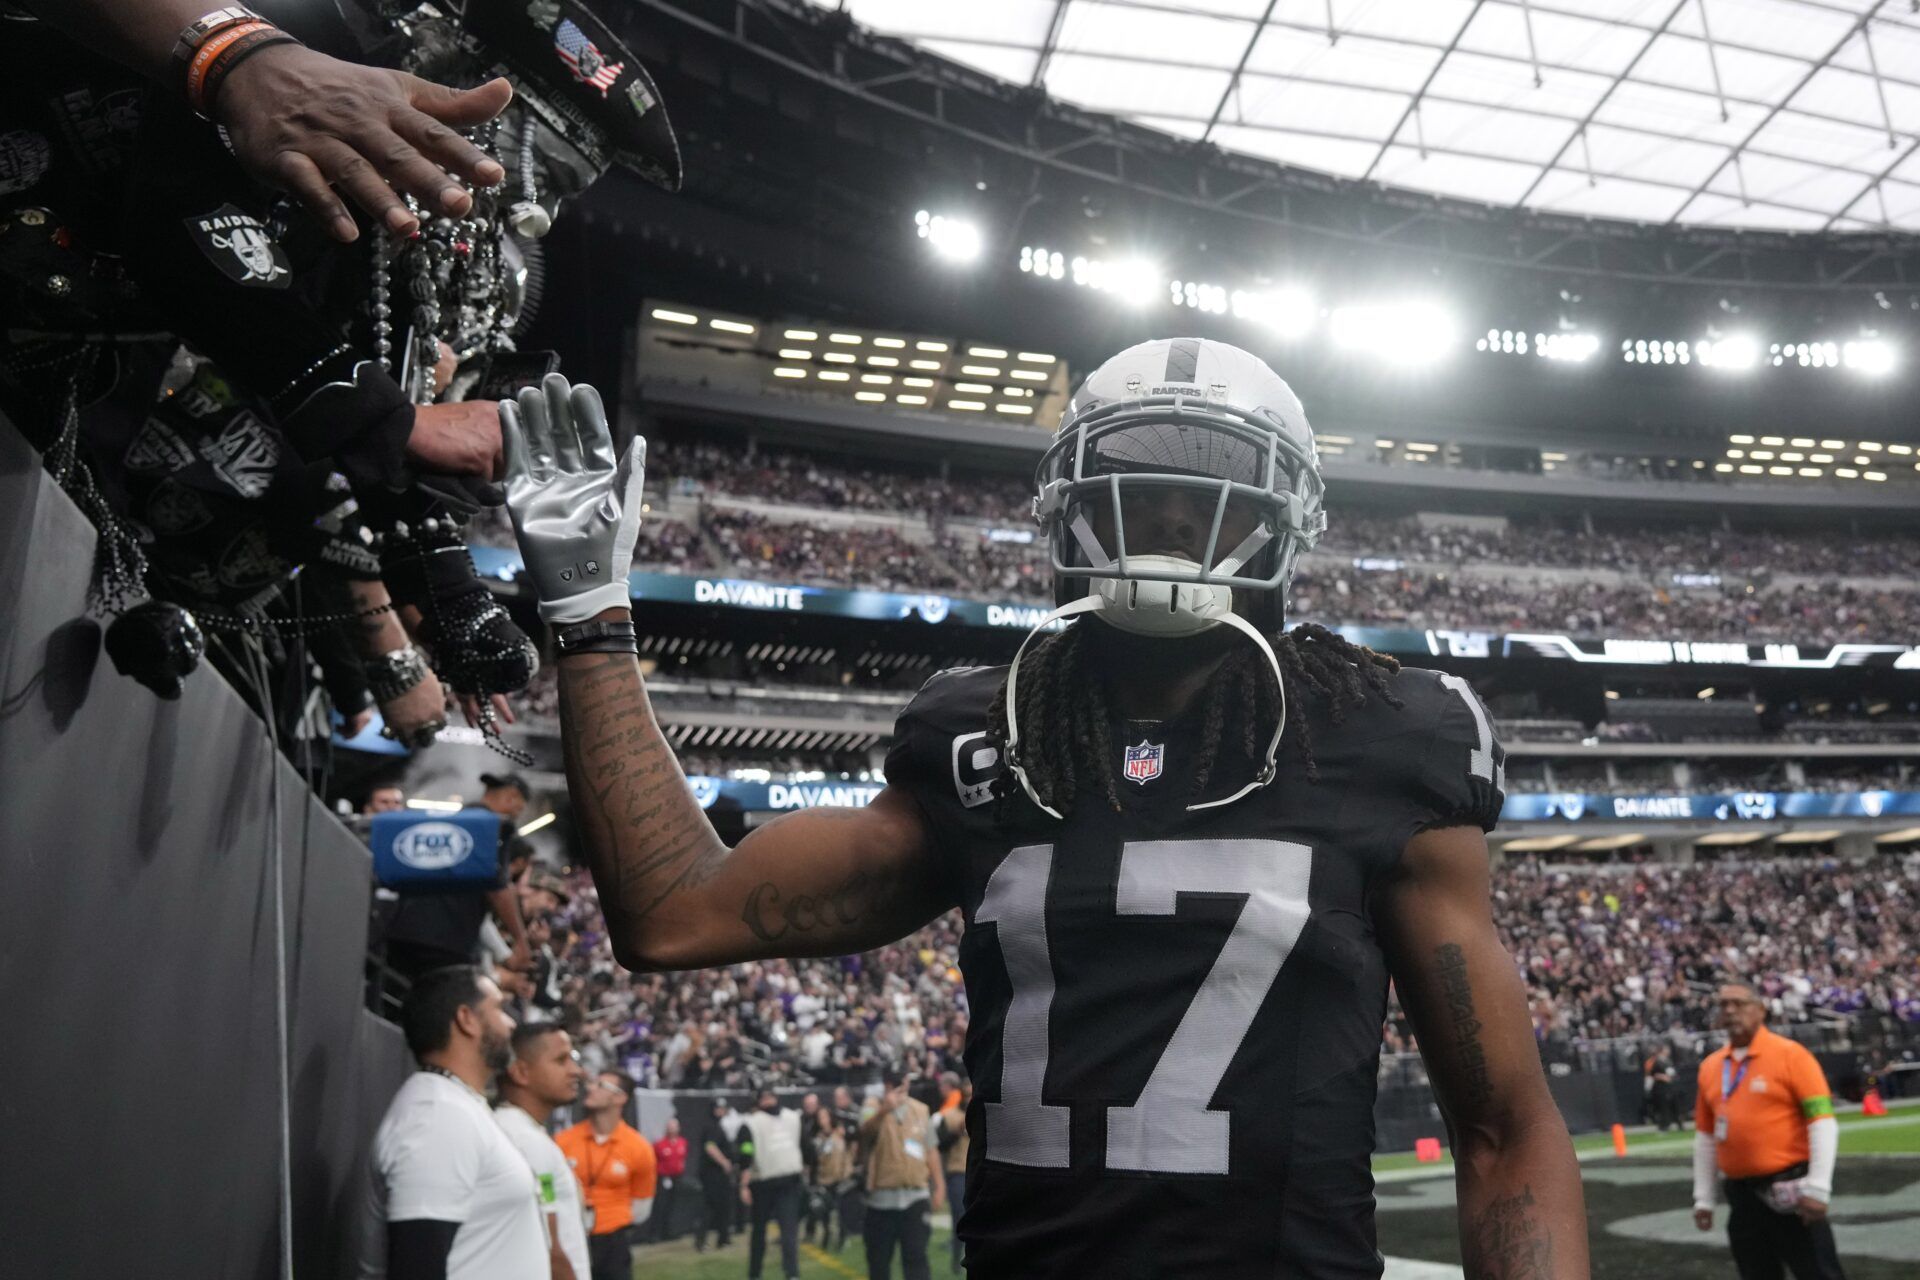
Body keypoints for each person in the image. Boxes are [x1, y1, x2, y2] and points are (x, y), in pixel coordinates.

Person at [498, 346, 1588, 1278]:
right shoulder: (983, 735)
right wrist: (591, 615)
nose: (1166, 510)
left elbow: (1502, 1127)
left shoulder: (1376, 733)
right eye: (1133, 473)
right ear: (1063, 498)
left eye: (1205, 478)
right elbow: (673, 913)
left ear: (1286, 513)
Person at [361, 965, 545, 1279]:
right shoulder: (437, 1117)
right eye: (500, 1008)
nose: (512, 1023)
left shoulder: (457, 1105)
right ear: (466, 1019)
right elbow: (418, 1267)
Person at [1692, 982, 1847, 1280]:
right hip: (1741, 1196)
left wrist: (1818, 1186)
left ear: (1760, 1010)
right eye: (1723, 1004)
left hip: (1792, 1191)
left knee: (1819, 1272)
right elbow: (1706, 1138)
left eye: (1739, 1003)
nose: (1730, 1011)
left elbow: (1822, 1122)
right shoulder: (1711, 1067)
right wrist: (1704, 1197)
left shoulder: (1791, 1055)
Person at [495, 1024, 590, 1280]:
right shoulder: (524, 1140)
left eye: (573, 1059)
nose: (575, 1071)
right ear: (521, 1072)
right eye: (561, 1060)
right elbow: (550, 1246)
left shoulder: (522, 1132)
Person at [555, 1071, 655, 1280]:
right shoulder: (563, 1142)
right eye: (592, 1083)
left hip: (613, 1242)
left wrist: (613, 1220)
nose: (590, 1088)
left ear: (620, 1097)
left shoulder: (638, 1147)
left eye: (601, 1085)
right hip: (571, 1237)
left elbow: (641, 1207)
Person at [857, 1069, 944, 1280]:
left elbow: (931, 1150)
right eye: (894, 1082)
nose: (900, 1086)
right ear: (885, 1084)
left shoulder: (921, 1110)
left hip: (915, 1196)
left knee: (916, 1259)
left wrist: (940, 1185)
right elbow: (864, 1134)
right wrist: (883, 1110)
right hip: (881, 1200)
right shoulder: (871, 1108)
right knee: (878, 1262)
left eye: (903, 1081)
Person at [739, 1089, 807, 1280]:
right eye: (764, 1097)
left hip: (789, 1181)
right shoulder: (751, 1123)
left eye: (771, 1096)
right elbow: (746, 1152)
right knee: (759, 1233)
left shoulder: (792, 1118)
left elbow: (803, 1145)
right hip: (762, 1183)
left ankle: (792, 1273)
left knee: (789, 1233)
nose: (768, 1101)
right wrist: (744, 1183)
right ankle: (755, 1273)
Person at [694, 1096, 739, 1252]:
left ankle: (723, 1239)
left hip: (717, 1174)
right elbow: (710, 1147)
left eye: (723, 1108)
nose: (721, 1111)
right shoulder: (711, 1126)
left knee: (723, 1206)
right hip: (713, 1174)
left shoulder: (718, 1126)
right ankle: (703, 1241)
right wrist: (725, 1162)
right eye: (719, 1108)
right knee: (709, 1207)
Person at [935, 1078, 969, 1274]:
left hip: (979, 1172)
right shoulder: (949, 1116)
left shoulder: (984, 1112)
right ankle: (957, 1258)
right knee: (959, 1216)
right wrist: (957, 1131)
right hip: (957, 1171)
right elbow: (941, 1146)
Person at [650, 1116, 689, 1242]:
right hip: (663, 1178)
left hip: (677, 1177)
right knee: (661, 1205)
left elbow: (682, 1158)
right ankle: (656, 1234)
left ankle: (672, 1231)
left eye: (674, 1127)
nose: (672, 1129)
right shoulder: (659, 1145)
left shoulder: (682, 1142)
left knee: (674, 1204)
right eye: (670, 1127)